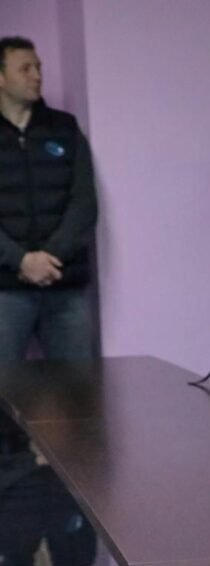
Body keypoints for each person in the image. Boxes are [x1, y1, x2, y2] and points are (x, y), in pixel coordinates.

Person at [0, 36, 98, 361]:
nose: (37, 76)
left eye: (38, 67)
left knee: (78, 387)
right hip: (5, 289)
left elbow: (84, 203)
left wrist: (50, 257)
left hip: (64, 285)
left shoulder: (64, 128)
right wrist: (21, 261)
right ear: (1, 77)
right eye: (25, 68)